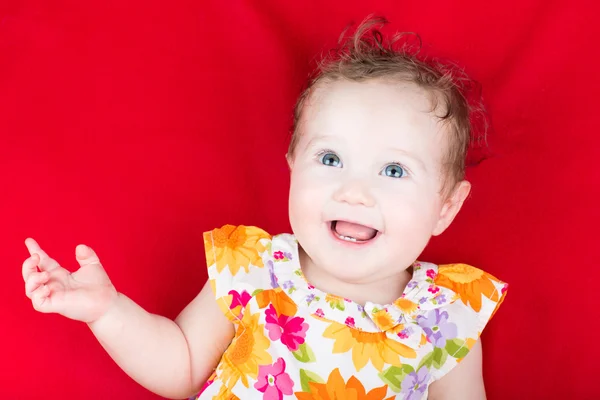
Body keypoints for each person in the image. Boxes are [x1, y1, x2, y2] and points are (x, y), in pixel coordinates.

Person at [21, 16, 508, 400]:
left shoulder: (445, 314)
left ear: (446, 208)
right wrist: (107, 311)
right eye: (331, 159)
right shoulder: (255, 268)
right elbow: (181, 367)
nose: (355, 191)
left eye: (395, 171)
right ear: (294, 167)